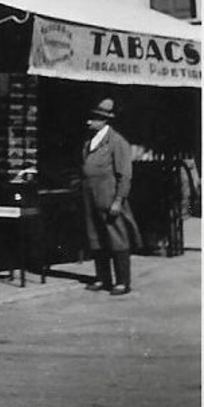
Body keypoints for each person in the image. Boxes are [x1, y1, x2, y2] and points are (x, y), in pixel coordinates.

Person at [81, 96, 141, 297]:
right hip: (91, 197)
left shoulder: (117, 142)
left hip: (108, 198)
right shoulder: (90, 142)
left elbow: (125, 174)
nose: (89, 122)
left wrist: (118, 200)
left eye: (93, 118)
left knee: (117, 238)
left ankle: (123, 281)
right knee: (96, 238)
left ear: (103, 120)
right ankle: (102, 278)